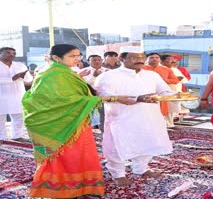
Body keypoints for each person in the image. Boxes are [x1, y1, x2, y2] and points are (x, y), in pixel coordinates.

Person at [22, 44, 135, 198]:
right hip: (59, 123)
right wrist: (114, 98)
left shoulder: (63, 71)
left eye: (78, 56)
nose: (77, 59)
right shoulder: (53, 74)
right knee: (65, 155)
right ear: (56, 58)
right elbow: (64, 100)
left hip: (74, 120)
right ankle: (60, 189)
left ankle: (80, 186)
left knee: (79, 153)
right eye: (72, 56)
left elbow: (71, 96)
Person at [95, 46, 173, 187]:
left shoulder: (151, 75)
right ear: (121, 59)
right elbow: (103, 95)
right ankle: (118, 173)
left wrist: (175, 96)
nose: (139, 60)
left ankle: (141, 168)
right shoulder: (108, 76)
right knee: (117, 145)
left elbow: (165, 90)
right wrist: (138, 98)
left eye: (141, 57)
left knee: (147, 141)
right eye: (134, 57)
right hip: (122, 117)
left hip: (149, 116)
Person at [0, 47, 33, 143]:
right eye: (8, 53)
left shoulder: (20, 65)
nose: (12, 55)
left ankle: (17, 136)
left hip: (18, 95)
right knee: (1, 117)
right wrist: (12, 79)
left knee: (19, 116)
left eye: (14, 53)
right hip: (2, 96)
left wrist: (24, 75)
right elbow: (13, 78)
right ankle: (1, 137)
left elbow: (28, 80)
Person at [79, 54, 108, 131]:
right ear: (88, 62)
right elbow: (83, 86)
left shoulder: (108, 71)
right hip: (89, 99)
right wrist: (93, 77)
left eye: (99, 60)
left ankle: (103, 132)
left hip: (104, 98)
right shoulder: (83, 72)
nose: (97, 61)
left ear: (102, 61)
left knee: (104, 117)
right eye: (94, 60)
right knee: (89, 118)